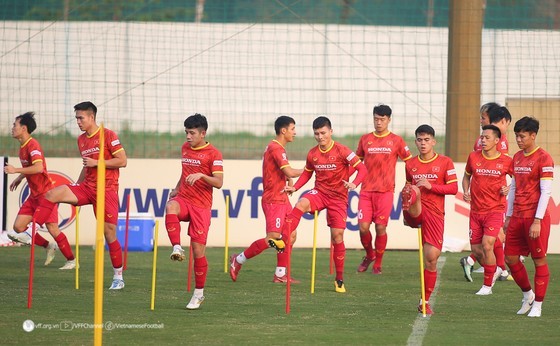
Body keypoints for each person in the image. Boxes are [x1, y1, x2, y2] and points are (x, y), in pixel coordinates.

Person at [30, 101, 127, 289]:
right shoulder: (81, 139)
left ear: (92, 117)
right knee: (52, 193)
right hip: (87, 187)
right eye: (76, 118)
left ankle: (118, 277)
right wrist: (77, 184)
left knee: (109, 234)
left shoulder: (108, 135)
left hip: (106, 190)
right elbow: (87, 166)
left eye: (81, 118)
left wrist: (96, 163)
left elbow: (122, 161)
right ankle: (31, 230)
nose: (78, 122)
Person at [282, 116, 367, 293]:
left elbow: (362, 169)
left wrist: (354, 183)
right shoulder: (313, 153)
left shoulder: (343, 151)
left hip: (338, 198)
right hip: (320, 193)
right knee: (301, 203)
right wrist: (295, 187)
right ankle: (284, 238)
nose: (320, 137)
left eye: (323, 133)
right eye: (316, 134)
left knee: (337, 236)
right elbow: (307, 173)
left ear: (331, 132)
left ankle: (339, 279)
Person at [229, 116, 303, 283]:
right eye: (293, 129)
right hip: (273, 199)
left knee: (290, 234)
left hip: (282, 198)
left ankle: (280, 274)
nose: (295, 132)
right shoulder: (275, 148)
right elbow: (290, 171)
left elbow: (284, 171)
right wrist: (310, 169)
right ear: (283, 131)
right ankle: (238, 260)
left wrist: (288, 180)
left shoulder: (278, 148)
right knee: (273, 238)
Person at [165, 113, 224, 310]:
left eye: (191, 133)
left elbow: (219, 182)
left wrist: (202, 175)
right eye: (186, 133)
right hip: (185, 199)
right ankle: (176, 247)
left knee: (198, 252)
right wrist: (176, 188)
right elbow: (184, 173)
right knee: (170, 206)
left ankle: (198, 294)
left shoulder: (214, 154)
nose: (188, 137)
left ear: (202, 133)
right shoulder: (185, 149)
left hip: (201, 207)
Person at [4, 112, 75, 269]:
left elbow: (38, 167)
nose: (12, 128)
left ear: (24, 128)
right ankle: (48, 246)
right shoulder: (23, 147)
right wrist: (20, 177)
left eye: (14, 125)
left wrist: (15, 170)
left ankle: (72, 260)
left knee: (53, 229)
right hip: (33, 195)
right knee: (18, 227)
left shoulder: (32, 145)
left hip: (46, 195)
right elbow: (30, 167)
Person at [401, 124, 458, 315]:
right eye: (419, 140)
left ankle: (424, 301)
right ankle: (408, 215)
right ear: (415, 141)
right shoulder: (410, 164)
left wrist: (431, 186)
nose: (423, 143)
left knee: (431, 259)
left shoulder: (445, 162)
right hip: (417, 210)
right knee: (413, 190)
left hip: (435, 215)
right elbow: (407, 187)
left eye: (427, 140)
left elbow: (453, 189)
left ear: (434, 141)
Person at [504, 116, 553, 318]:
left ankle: (538, 306)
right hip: (517, 217)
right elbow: (514, 187)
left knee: (539, 260)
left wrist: (537, 220)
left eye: (522, 136)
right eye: (516, 136)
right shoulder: (516, 157)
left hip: (534, 218)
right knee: (510, 258)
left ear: (533, 135)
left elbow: (546, 191)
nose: (519, 140)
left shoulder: (544, 158)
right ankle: (528, 295)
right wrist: (508, 215)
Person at [355, 104, 411, 274]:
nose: (378, 122)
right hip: (366, 191)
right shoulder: (365, 139)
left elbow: (410, 162)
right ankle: (369, 255)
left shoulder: (396, 140)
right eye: (376, 119)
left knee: (380, 227)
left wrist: (410, 182)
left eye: (382, 119)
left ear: (389, 120)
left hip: (385, 191)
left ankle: (378, 263)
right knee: (363, 227)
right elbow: (357, 162)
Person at [461, 103, 512, 282]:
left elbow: (508, 171)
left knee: (493, 238)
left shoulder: (496, 141)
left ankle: (498, 270)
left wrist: (509, 188)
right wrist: (466, 190)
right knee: (493, 239)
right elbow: (472, 171)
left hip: (494, 204)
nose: (481, 121)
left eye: (483, 118)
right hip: (480, 203)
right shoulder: (494, 140)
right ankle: (494, 266)